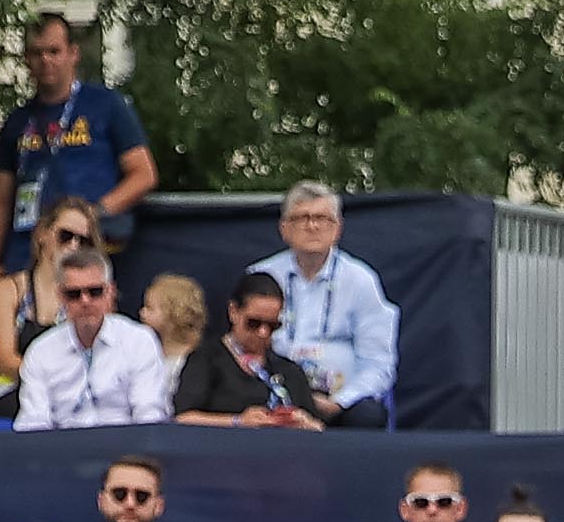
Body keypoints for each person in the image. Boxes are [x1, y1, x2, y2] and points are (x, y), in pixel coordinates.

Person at [0, 10, 156, 380]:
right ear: (26, 59)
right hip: (27, 249)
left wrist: (95, 214)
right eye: (37, 53)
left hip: (86, 248)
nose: (46, 61)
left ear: (73, 53)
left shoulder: (106, 105)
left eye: (54, 51)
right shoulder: (18, 121)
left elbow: (143, 174)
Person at [250, 184, 400, 427]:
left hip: (339, 399)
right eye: (302, 218)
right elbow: (244, 345)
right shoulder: (261, 276)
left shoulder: (361, 280)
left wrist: (341, 401)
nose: (312, 226)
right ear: (284, 228)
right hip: (274, 394)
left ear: (337, 228)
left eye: (321, 218)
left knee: (368, 416)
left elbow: (378, 362)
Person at [21, 251, 171, 430]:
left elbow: (149, 414)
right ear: (60, 296)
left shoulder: (139, 341)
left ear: (110, 292)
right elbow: (33, 423)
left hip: (123, 450)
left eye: (95, 292)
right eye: (74, 294)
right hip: (63, 450)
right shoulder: (41, 351)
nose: (85, 301)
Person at [167, 275, 327, 429]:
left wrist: (304, 422)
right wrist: (237, 421)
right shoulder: (206, 360)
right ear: (233, 311)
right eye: (254, 323)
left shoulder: (290, 371)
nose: (263, 332)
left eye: (272, 325)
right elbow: (183, 418)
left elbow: (318, 426)